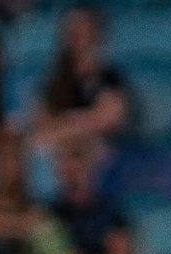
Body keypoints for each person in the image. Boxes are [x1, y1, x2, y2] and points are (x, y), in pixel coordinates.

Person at [30, 5, 133, 154]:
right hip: (59, 160)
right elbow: (39, 134)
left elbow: (109, 121)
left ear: (98, 37)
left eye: (84, 31)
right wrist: (84, 121)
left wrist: (65, 124)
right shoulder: (53, 84)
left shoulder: (110, 79)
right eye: (72, 32)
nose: (77, 39)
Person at [45, 142, 133, 254]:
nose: (69, 166)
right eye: (63, 160)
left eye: (76, 158)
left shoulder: (110, 209)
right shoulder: (49, 213)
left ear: (90, 165)